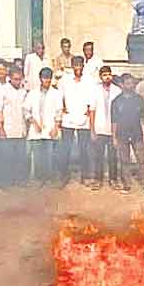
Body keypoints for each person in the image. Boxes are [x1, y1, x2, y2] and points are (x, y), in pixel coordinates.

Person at [58, 56, 95, 187]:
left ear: (83, 66)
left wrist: (89, 110)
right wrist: (62, 108)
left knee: (84, 149)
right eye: (75, 65)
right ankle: (63, 175)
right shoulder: (65, 80)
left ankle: (85, 176)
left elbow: (92, 98)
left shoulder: (89, 80)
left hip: (83, 118)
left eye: (80, 65)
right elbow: (59, 96)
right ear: (72, 66)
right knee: (65, 148)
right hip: (68, 118)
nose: (78, 68)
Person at [111, 74, 144, 194]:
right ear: (121, 85)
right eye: (128, 83)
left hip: (137, 134)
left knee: (141, 159)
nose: (131, 85)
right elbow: (114, 121)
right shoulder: (116, 102)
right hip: (121, 135)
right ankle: (127, 184)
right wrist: (113, 137)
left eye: (132, 83)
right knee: (124, 160)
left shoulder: (139, 99)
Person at [25, 67, 63, 185]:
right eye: (44, 78)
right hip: (36, 129)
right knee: (37, 156)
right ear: (40, 79)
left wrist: (56, 127)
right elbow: (26, 110)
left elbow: (59, 111)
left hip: (50, 128)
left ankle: (49, 178)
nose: (46, 81)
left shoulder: (56, 93)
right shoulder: (32, 93)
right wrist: (35, 123)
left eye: (48, 78)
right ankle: (39, 179)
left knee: (50, 155)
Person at [0, 66, 29, 186]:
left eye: (19, 79)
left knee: (20, 157)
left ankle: (19, 181)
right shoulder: (2, 91)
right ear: (10, 78)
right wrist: (1, 129)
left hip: (20, 129)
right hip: (6, 129)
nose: (17, 82)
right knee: (6, 158)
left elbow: (26, 111)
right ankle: (6, 181)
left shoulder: (23, 92)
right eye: (15, 79)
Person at [88, 65, 122, 190]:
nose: (107, 77)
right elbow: (92, 110)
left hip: (113, 129)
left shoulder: (117, 90)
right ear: (100, 77)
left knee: (113, 156)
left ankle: (113, 180)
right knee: (99, 156)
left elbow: (120, 112)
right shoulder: (95, 90)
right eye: (104, 75)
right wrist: (92, 130)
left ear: (111, 76)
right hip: (99, 128)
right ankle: (98, 180)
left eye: (108, 74)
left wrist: (118, 132)